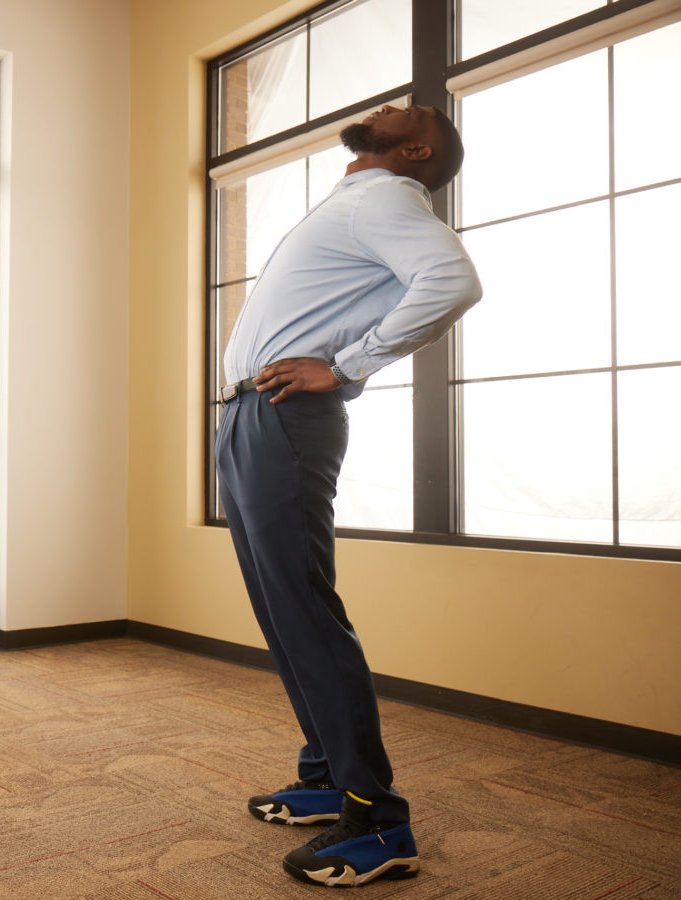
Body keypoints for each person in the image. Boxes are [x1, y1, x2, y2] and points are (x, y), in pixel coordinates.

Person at [216, 104, 481, 887]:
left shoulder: (387, 195)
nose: (383, 106)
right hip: (249, 413)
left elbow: (452, 280)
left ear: (414, 148)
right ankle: (326, 775)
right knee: (277, 609)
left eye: (407, 110)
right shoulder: (350, 201)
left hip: (287, 417)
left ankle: (377, 818)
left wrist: (350, 363)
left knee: (303, 607)